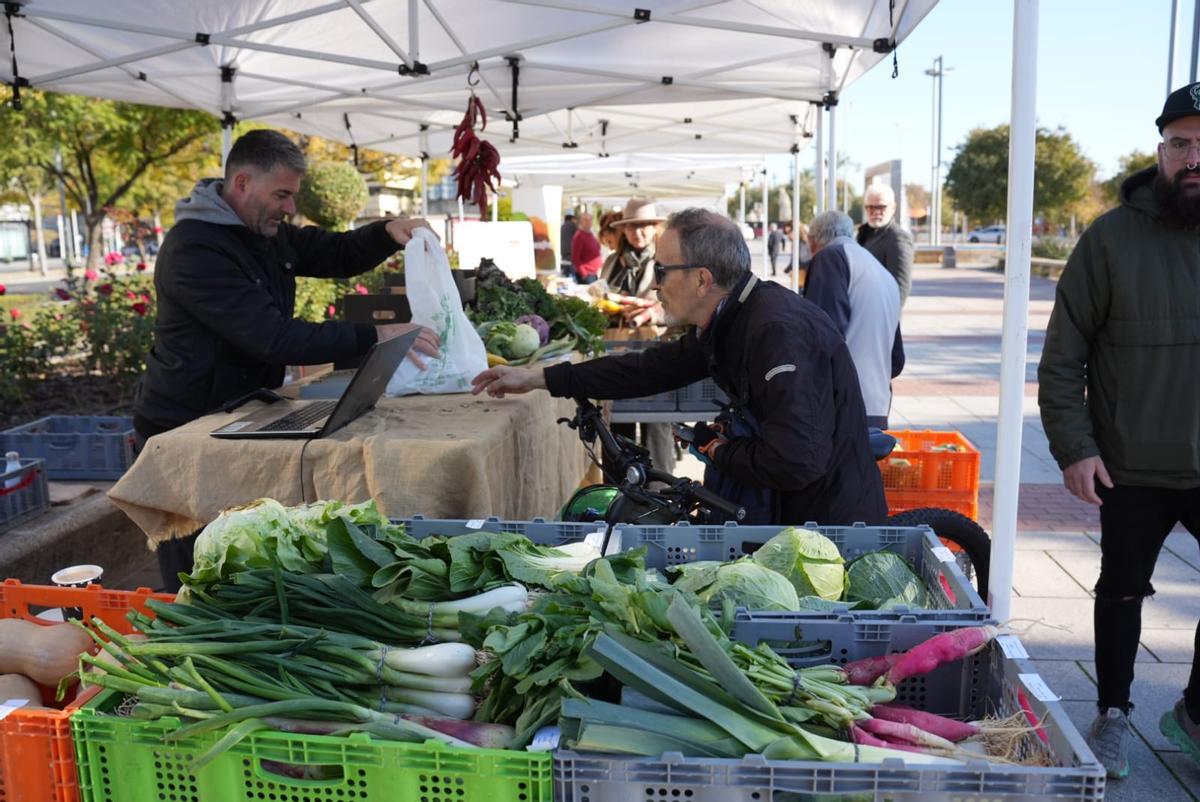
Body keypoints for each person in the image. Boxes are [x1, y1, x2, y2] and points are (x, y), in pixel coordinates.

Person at [134, 129, 440, 588]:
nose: (290, 208)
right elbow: (274, 338)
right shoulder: (194, 250)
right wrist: (377, 332)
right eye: (282, 194)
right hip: (186, 424)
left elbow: (333, 252)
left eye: (292, 195)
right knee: (199, 568)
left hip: (242, 411)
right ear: (241, 184)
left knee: (245, 555)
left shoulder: (266, 231)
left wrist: (385, 234)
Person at [471, 208, 887, 527]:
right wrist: (539, 377)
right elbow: (647, 369)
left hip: (830, 529)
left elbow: (797, 461)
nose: (654, 284)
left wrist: (718, 450)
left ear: (703, 279)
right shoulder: (731, 318)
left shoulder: (776, 332)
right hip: (791, 517)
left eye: (662, 270)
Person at [1038, 82, 1200, 779]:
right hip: (1130, 462)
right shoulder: (1110, 239)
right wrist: (1076, 448)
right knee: (1122, 589)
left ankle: (1194, 711)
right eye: (1181, 144)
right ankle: (1113, 713)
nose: (1194, 157)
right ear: (1159, 150)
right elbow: (1063, 353)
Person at [803, 211, 902, 429]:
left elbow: (823, 335)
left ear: (813, 241)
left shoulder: (830, 258)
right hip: (877, 405)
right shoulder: (881, 272)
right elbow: (896, 360)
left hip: (843, 405)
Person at [856, 184, 914, 305]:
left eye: (881, 207)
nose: (876, 212)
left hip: (881, 314)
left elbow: (900, 287)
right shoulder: (864, 233)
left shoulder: (898, 238)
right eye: (871, 207)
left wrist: (888, 319)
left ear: (893, 208)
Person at [571, 211, 603, 284]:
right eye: (585, 220)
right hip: (588, 275)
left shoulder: (590, 234)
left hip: (596, 273)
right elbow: (575, 259)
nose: (589, 222)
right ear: (581, 222)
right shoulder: (579, 236)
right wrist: (584, 273)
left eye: (590, 219)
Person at [559, 211, 578, 278]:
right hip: (571, 256)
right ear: (572, 218)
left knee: (565, 277)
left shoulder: (562, 227)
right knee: (573, 278)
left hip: (563, 255)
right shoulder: (573, 226)